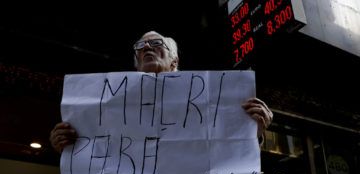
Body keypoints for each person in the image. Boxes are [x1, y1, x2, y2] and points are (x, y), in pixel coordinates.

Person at [49, 31, 273, 153]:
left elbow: (225, 152)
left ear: (174, 60)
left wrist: (253, 132)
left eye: (156, 43)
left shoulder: (207, 100)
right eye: (140, 46)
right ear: (136, 65)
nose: (146, 47)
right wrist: (68, 147)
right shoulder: (109, 106)